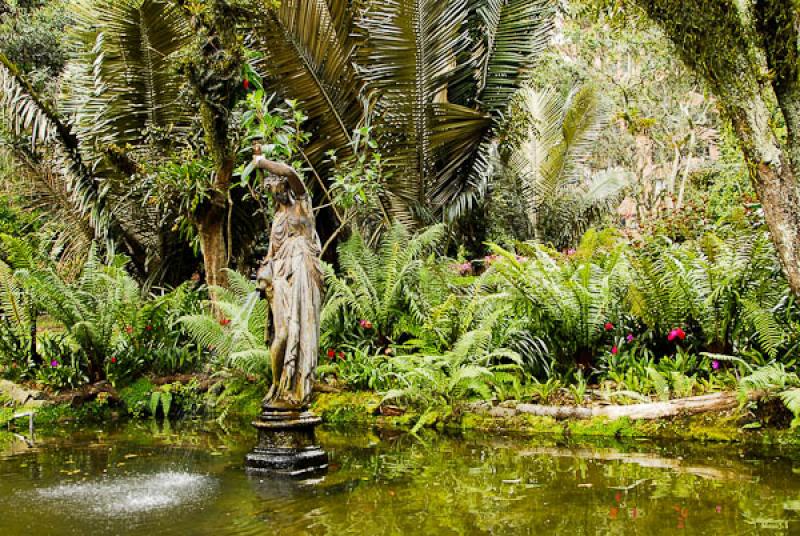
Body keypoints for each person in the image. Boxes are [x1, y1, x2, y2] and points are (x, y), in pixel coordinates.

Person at [253, 145, 323, 410]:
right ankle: (277, 382)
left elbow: (292, 171)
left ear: (286, 187)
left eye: (278, 188)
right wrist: (265, 275)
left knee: (301, 328)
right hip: (281, 278)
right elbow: (271, 253)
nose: (276, 195)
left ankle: (299, 385)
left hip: (304, 270)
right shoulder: (278, 219)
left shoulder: (302, 205)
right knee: (281, 334)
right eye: (272, 192)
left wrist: (262, 162)